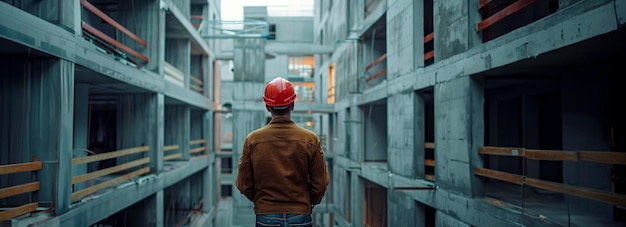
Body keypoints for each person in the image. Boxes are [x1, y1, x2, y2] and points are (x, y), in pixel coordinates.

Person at [236, 77, 330, 227]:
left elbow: (243, 185)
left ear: (267, 106)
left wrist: (264, 203)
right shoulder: (310, 139)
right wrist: (305, 203)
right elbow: (321, 183)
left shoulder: (253, 140)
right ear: (292, 105)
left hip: (266, 215)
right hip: (300, 215)